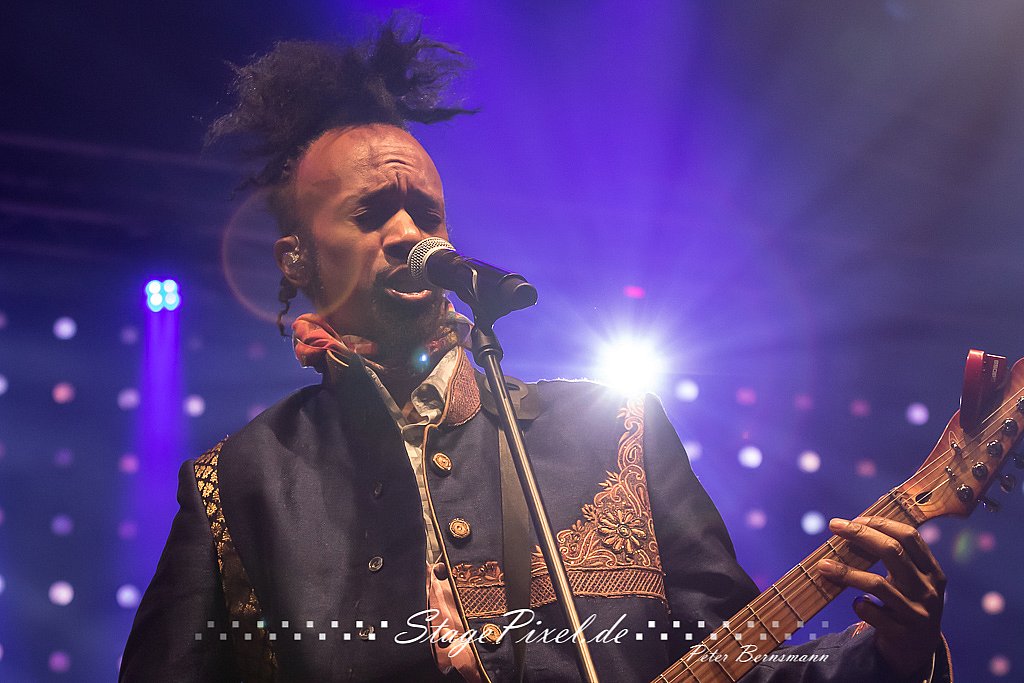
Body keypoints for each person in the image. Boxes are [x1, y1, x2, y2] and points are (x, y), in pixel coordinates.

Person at [120, 18, 950, 683]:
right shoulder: (237, 484)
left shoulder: (616, 427)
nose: (407, 233)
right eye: (371, 214)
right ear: (297, 258)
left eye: (426, 213)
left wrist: (894, 658)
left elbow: (745, 661)